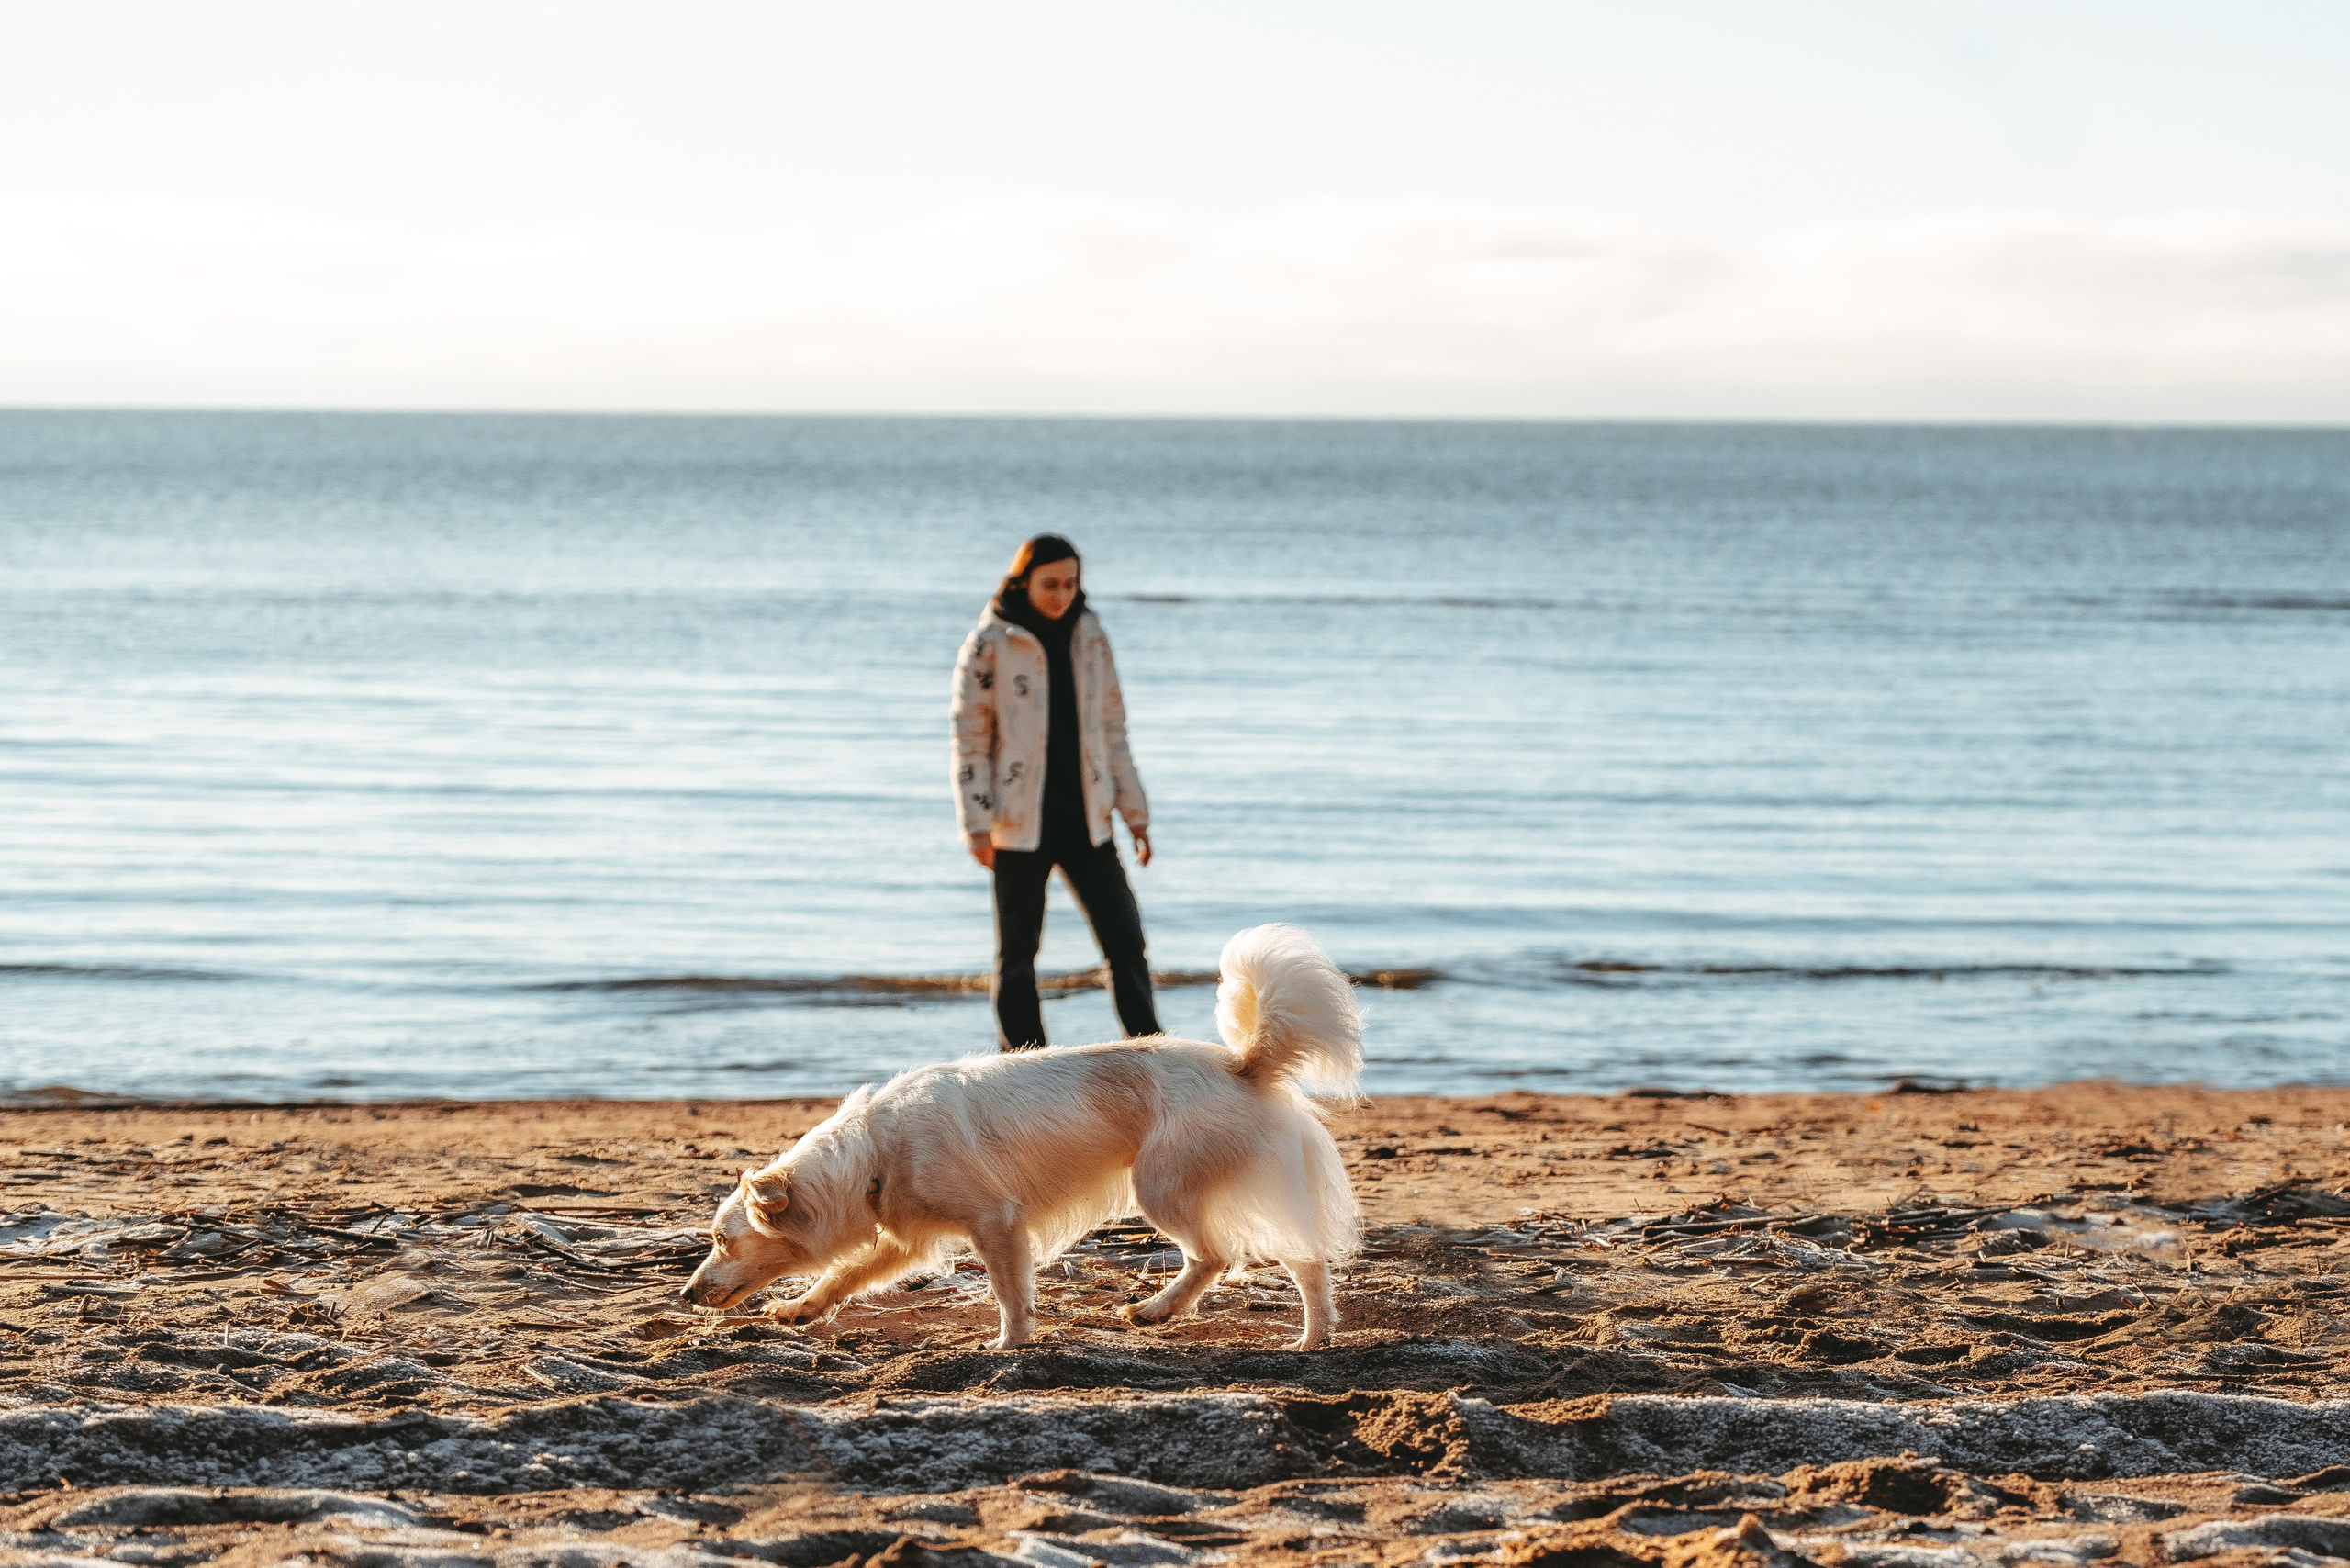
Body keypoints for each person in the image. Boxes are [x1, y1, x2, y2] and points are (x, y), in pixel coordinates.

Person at [951, 534, 1159, 1051]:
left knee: (1126, 943)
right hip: (1018, 824)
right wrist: (976, 826)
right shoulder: (990, 642)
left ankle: (1152, 1056)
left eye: (1070, 584)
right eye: (1050, 584)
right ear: (1023, 581)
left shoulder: (1091, 635)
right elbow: (969, 741)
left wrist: (1135, 815)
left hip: (1088, 819)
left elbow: (1113, 730)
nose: (1062, 595)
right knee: (1017, 958)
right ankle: (1024, 1069)